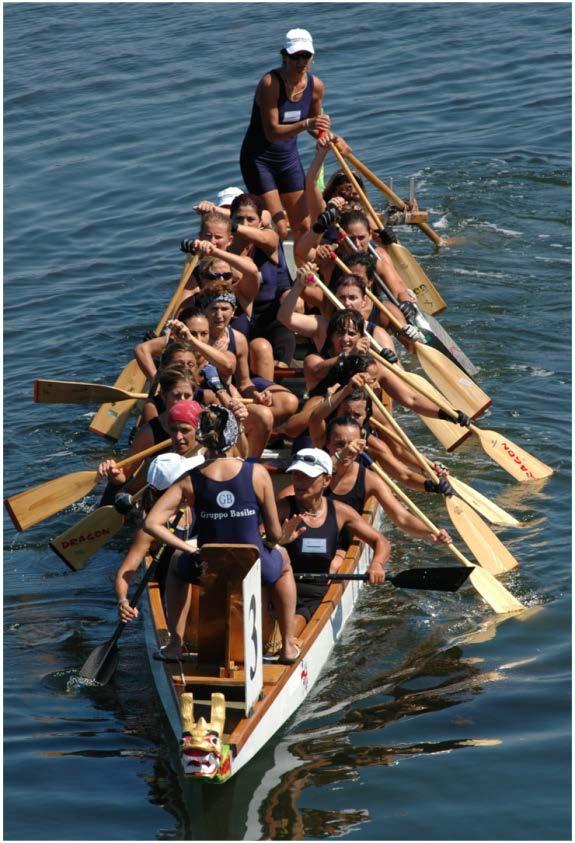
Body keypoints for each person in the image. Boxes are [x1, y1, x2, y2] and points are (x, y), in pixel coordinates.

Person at [144, 405, 305, 664]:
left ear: (201, 437)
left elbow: (151, 523)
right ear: (234, 435)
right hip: (252, 565)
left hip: (208, 566)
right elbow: (274, 534)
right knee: (284, 561)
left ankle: (175, 645)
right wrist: (280, 539)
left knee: (175, 563)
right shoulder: (258, 473)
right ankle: (287, 646)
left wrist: (189, 549)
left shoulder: (189, 479)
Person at [276, 448, 389, 635]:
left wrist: (377, 564)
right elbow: (254, 547)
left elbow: (381, 541)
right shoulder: (281, 509)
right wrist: (279, 539)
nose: (299, 482)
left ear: (326, 480)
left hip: (318, 593)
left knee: (295, 624)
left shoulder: (340, 512)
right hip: (281, 589)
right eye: (296, 475)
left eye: (307, 477)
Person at [239, 28, 331, 243]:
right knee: (280, 227)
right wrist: (308, 122)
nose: (300, 62)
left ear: (311, 58)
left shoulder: (316, 86)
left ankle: (303, 273)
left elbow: (315, 128)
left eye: (305, 56)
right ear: (284, 56)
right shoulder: (270, 84)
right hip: (259, 160)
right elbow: (272, 133)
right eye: (295, 56)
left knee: (304, 225)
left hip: (287, 159)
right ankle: (274, 271)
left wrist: (329, 136)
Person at [115, 451, 205, 623]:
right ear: (175, 486)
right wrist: (123, 601)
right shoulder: (148, 531)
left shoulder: (193, 504)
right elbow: (124, 574)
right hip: (172, 595)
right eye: (188, 475)